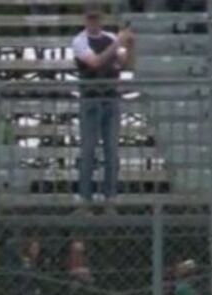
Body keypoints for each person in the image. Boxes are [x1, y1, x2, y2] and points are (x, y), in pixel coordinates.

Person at [71, 4, 134, 211]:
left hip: (110, 98)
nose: (94, 22)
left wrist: (130, 45)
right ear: (85, 19)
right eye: (90, 18)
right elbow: (95, 62)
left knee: (111, 151)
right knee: (88, 151)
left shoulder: (110, 38)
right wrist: (118, 44)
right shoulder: (80, 41)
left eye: (97, 18)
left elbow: (126, 64)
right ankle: (85, 199)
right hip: (91, 99)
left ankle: (110, 199)